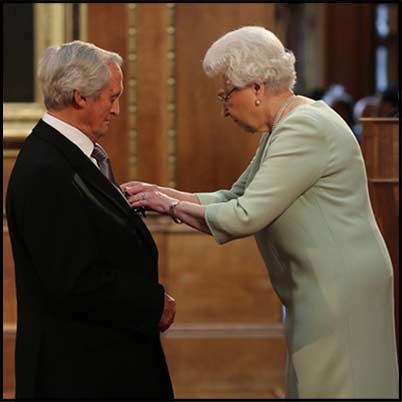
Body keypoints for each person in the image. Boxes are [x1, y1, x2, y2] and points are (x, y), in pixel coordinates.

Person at [121, 27, 399, 399]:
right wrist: (161, 193)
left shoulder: (305, 127)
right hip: (319, 285)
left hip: (340, 289)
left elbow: (244, 215)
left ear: (255, 87)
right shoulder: (283, 127)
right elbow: (235, 195)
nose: (223, 110)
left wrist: (168, 206)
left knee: (336, 389)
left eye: (225, 96)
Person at [6, 40, 175, 399]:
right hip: (78, 373)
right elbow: (73, 281)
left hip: (102, 365)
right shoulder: (46, 169)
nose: (116, 110)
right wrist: (152, 304)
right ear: (81, 96)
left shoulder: (70, 157)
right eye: (111, 97)